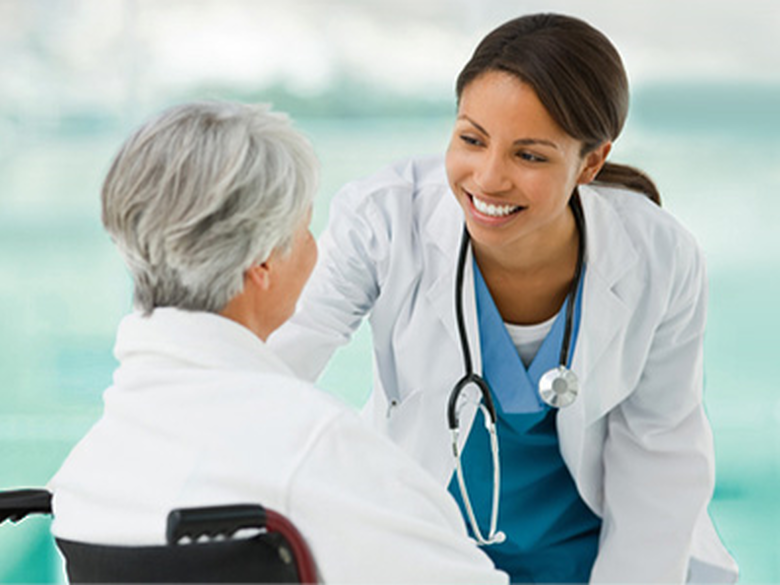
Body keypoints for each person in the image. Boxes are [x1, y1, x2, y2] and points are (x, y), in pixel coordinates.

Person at [269, 13, 738, 585]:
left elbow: (661, 454)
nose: (488, 179)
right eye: (471, 139)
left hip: (597, 561)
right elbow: (274, 363)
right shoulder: (384, 220)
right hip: (426, 555)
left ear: (589, 162)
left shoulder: (660, 257)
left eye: (530, 156)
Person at [47, 102, 508, 585]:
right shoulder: (313, 444)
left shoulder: (87, 472)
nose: (314, 247)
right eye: (305, 227)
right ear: (264, 263)